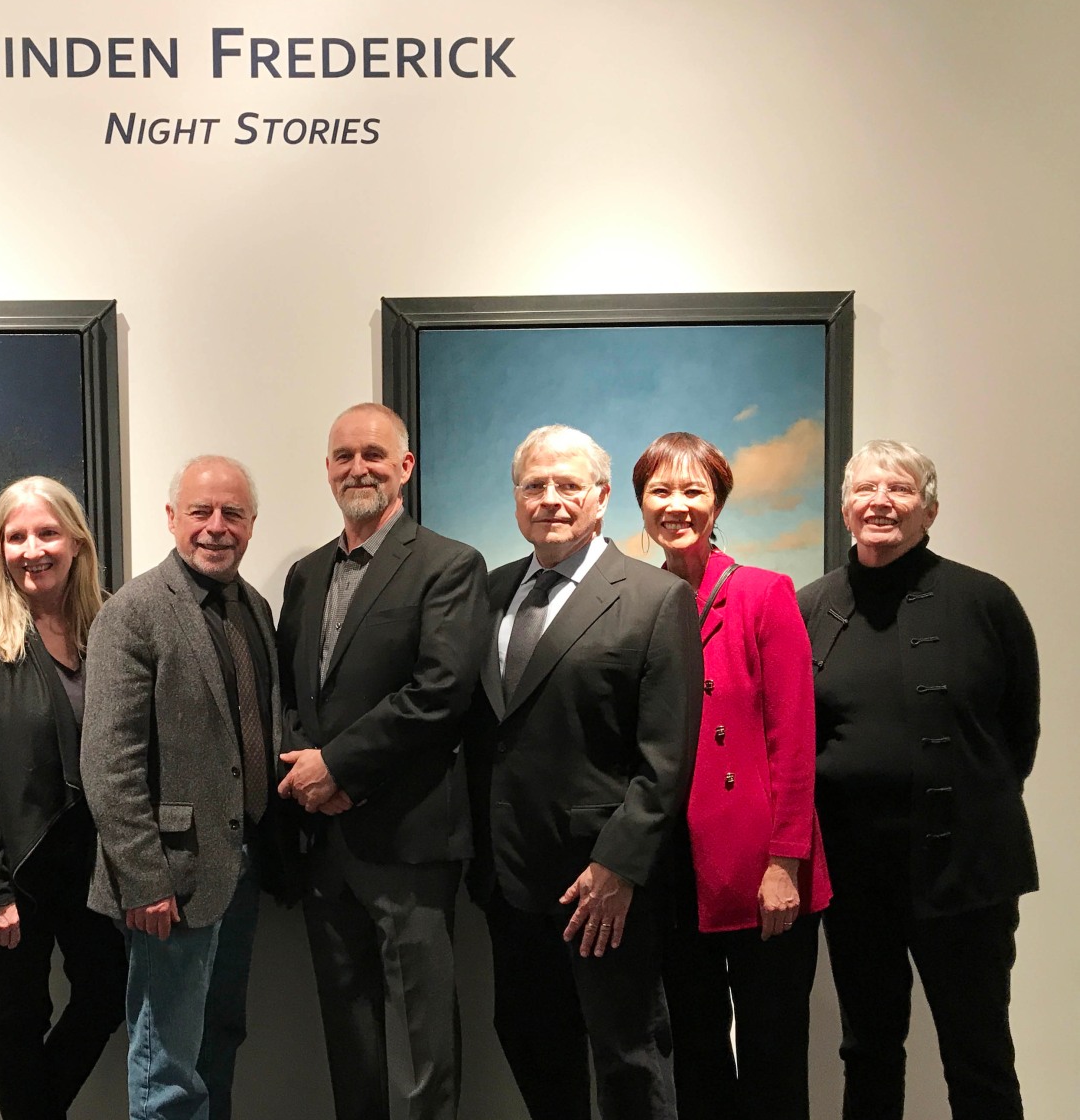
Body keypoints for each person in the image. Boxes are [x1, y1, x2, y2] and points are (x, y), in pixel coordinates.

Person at [464, 424, 702, 1120]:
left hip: (603, 886)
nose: (551, 499)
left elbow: (667, 757)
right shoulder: (491, 592)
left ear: (600, 499)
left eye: (569, 485)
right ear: (516, 499)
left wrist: (619, 868)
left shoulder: (655, 598)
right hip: (509, 881)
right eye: (534, 485)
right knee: (533, 1046)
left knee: (629, 1060)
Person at [798, 440, 1039, 1120]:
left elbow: (1017, 735)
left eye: (900, 489)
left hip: (967, 870)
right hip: (854, 875)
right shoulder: (809, 607)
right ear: (845, 506)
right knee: (867, 1048)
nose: (881, 502)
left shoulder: (986, 601)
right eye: (866, 489)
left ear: (929, 510)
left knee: (979, 1051)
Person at [276, 402, 489, 1120]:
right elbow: (290, 693)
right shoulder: (306, 574)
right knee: (350, 1039)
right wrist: (309, 777)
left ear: (405, 466)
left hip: (409, 842)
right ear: (327, 470)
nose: (358, 468)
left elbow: (440, 692)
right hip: (325, 843)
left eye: (373, 454)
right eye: (344, 456)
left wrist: (338, 769)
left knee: (423, 1045)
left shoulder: (449, 565)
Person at [630, 432, 829, 1120]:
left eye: (693, 490)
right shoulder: (640, 599)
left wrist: (785, 863)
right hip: (675, 868)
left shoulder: (763, 593)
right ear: (641, 504)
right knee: (695, 1048)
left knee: (774, 1053)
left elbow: (794, 740)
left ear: (717, 504)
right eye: (660, 490)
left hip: (761, 865)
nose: (676, 505)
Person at [81, 456, 286, 1120]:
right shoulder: (133, 612)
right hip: (167, 883)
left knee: (219, 1040)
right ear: (172, 518)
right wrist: (144, 882)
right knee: (166, 1064)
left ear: (252, 524)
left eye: (233, 513)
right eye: (201, 512)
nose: (216, 527)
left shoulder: (254, 608)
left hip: (239, 870)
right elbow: (109, 763)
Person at [0, 476, 127, 1120]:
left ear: (76, 542)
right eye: (15, 536)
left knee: (107, 992)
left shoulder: (108, 624)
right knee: (20, 1015)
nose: (32, 549)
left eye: (47, 533)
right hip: (16, 866)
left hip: (92, 864)